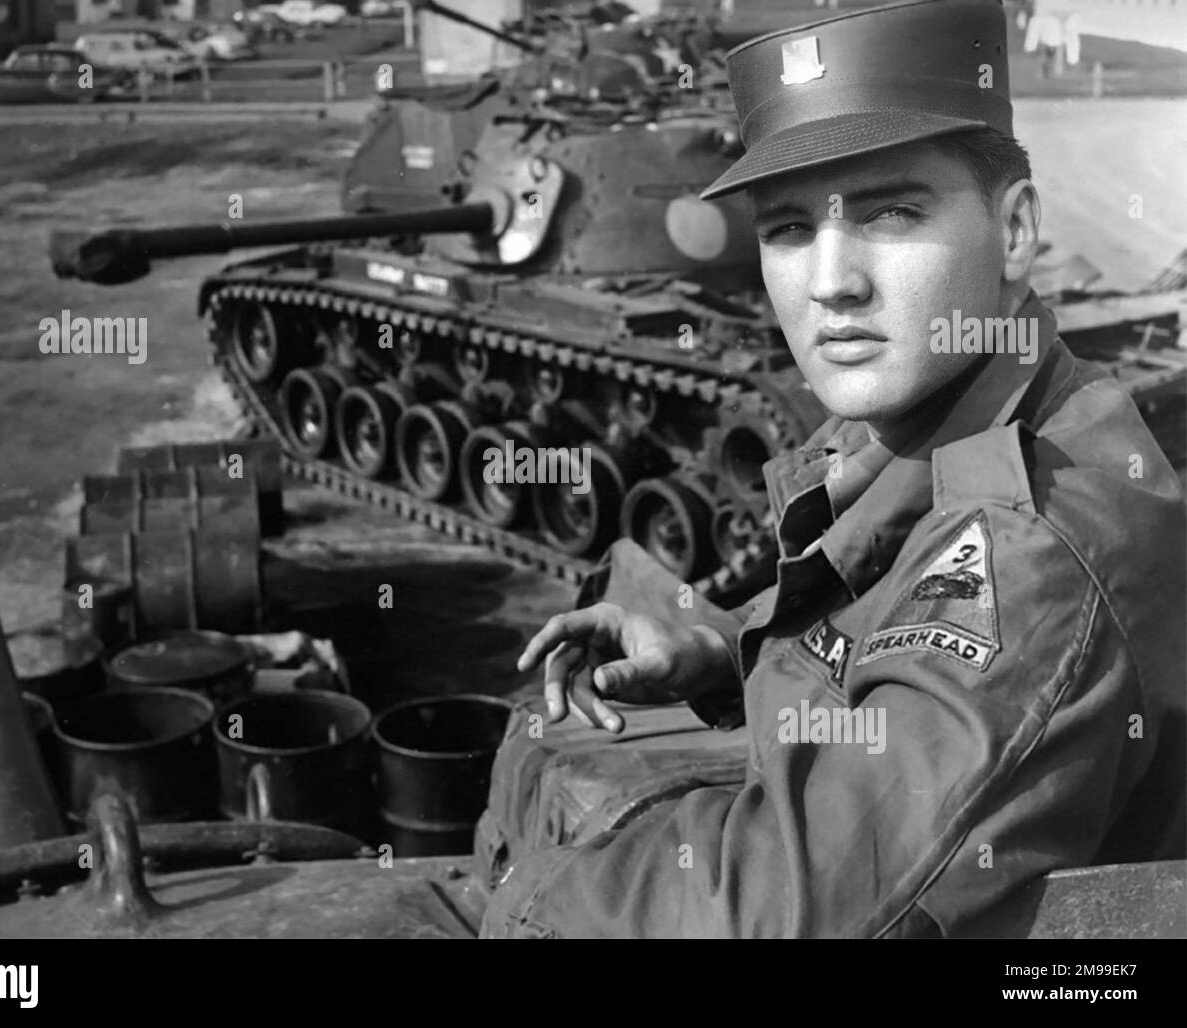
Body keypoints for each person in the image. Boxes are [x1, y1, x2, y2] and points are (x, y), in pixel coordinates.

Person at [479, 0, 1186, 939]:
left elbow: (777, 916)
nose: (831, 282)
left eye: (893, 212)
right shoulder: (951, 417)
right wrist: (723, 654)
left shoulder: (1031, 546)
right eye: (788, 229)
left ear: (1014, 233)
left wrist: (521, 882)